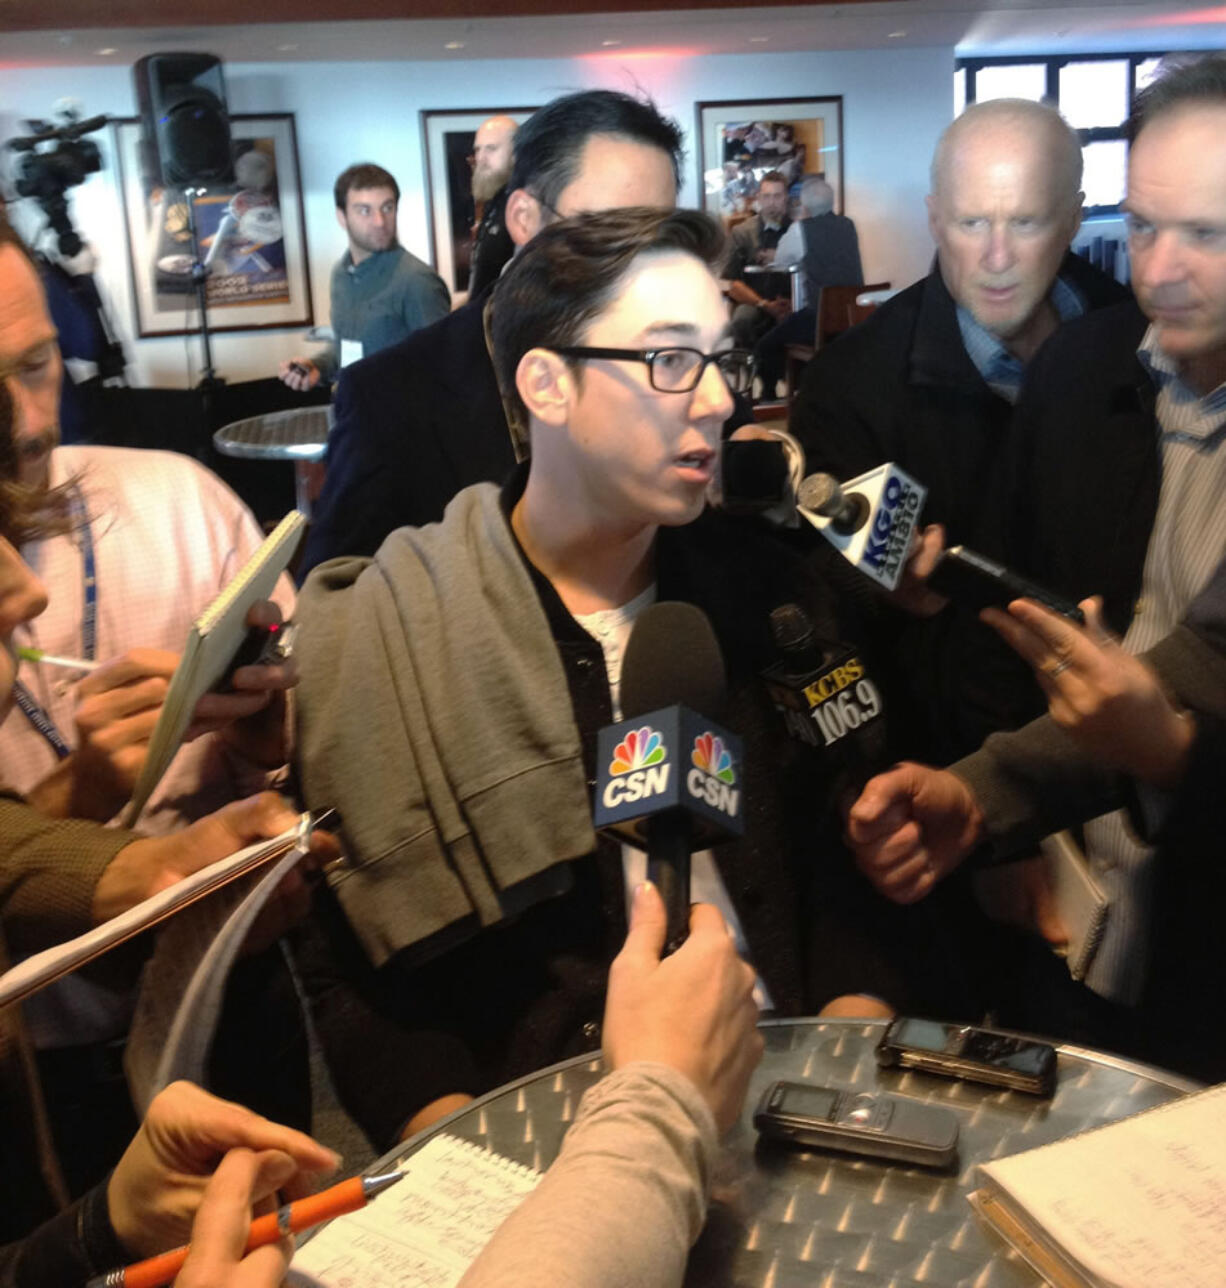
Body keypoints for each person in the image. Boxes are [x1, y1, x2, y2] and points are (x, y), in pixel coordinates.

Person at [292, 207, 908, 1151]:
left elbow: (845, 853)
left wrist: (847, 1061)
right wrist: (460, 1154)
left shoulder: (771, 590)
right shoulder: (394, 631)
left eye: (719, 356)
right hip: (534, 1142)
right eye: (668, 361)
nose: (715, 401)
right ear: (546, 383)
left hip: (790, 1100)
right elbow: (356, 971)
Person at [912, 53, 1226, 1065]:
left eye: (1204, 235)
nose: (1154, 269)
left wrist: (1173, 757)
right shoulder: (1082, 365)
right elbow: (995, 617)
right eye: (1140, 226)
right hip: (1064, 933)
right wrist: (983, 815)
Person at [0, 207, 311, 1187]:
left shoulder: (179, 499)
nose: (35, 422)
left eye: (38, 364)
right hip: (40, 1073)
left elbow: (299, 751)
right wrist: (82, 792)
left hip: (232, 1011)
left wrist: (269, 735)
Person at [788, 99, 1130, 770]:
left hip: (1133, 754)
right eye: (972, 222)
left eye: (1025, 222)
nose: (996, 257)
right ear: (935, 217)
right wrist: (879, 590)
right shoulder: (848, 388)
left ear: (1073, 219)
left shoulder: (1144, 346)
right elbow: (824, 598)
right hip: (955, 769)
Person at [297, 89, 686, 576]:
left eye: (659, 238)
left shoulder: (690, 373)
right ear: (524, 218)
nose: (635, 267)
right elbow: (335, 603)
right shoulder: (389, 399)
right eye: (604, 232)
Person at [278, 163, 450, 392]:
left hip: (396, 423)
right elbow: (351, 348)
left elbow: (444, 371)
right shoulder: (341, 274)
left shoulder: (417, 281)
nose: (380, 221)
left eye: (387, 208)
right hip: (351, 415)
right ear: (342, 217)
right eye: (365, 210)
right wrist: (316, 366)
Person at [753, 176, 864, 398]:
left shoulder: (800, 229)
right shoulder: (848, 225)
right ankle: (808, 390)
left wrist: (799, 223)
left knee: (766, 344)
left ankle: (769, 396)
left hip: (819, 318)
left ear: (803, 204)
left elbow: (783, 260)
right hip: (853, 319)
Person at [723, 170, 793, 355]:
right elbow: (732, 283)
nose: (772, 203)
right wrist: (764, 304)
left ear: (786, 197)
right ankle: (752, 371)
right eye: (767, 196)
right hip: (755, 302)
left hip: (792, 302)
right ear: (759, 198)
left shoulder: (798, 230)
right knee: (742, 319)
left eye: (777, 196)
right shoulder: (742, 232)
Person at [467, 115, 519, 297]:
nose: (481, 158)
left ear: (516, 152)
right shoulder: (494, 201)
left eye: (491, 149)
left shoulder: (524, 205)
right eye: (478, 149)